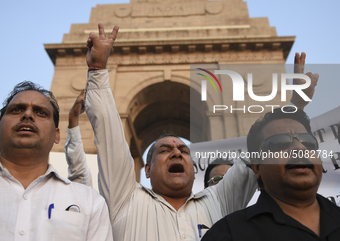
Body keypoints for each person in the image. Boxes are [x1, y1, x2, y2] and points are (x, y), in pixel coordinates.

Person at [65, 23, 319, 240]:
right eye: (165, 150)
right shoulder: (125, 198)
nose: (177, 152)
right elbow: (110, 136)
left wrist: (293, 108)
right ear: (145, 168)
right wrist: (98, 70)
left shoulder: (221, 200)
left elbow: (259, 151)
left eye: (183, 150)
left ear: (192, 164)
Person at [202, 107, 340, 240]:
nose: (300, 147)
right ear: (256, 167)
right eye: (279, 143)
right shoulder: (225, 234)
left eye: (308, 141)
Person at [0, 82, 112, 240]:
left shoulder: (90, 201)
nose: (27, 115)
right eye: (17, 109)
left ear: (57, 135)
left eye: (41, 113)